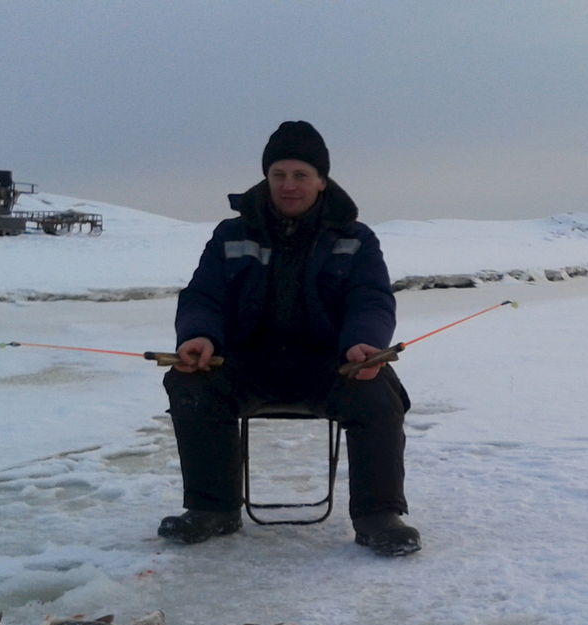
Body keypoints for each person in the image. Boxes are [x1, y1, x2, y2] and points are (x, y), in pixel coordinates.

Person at [159, 121, 419, 556]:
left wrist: (364, 343)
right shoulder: (231, 234)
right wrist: (198, 337)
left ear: (321, 181)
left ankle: (378, 517)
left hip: (331, 366)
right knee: (190, 383)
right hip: (246, 366)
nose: (289, 185)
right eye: (279, 175)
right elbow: (204, 296)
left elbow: (370, 300)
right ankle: (212, 509)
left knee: (378, 390)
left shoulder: (355, 238)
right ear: (267, 178)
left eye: (301, 175)